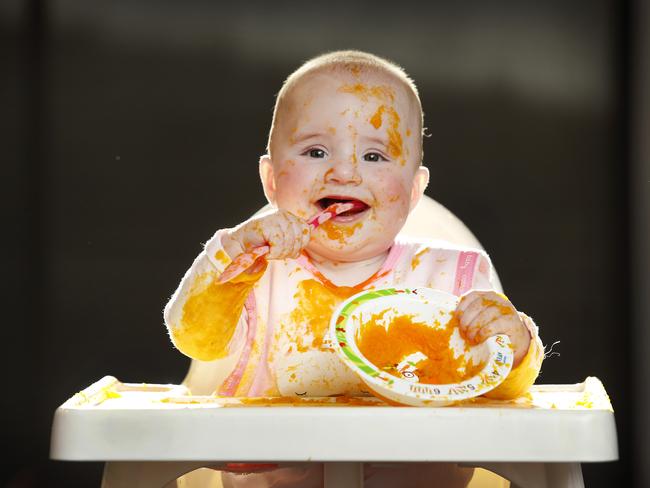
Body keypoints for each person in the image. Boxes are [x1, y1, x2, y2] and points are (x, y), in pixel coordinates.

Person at [164, 50, 544, 488]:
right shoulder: (256, 271)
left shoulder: (452, 278)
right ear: (271, 180)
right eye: (316, 150)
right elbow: (194, 337)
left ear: (414, 190)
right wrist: (230, 256)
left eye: (375, 156)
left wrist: (513, 347)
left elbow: (501, 394)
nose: (344, 172)